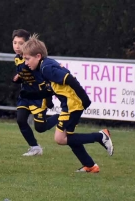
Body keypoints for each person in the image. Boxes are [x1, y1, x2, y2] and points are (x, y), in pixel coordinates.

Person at [20, 33, 114, 173]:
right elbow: (53, 88)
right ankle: (90, 165)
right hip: (69, 104)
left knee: (60, 138)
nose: (26, 63)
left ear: (38, 56)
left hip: (73, 104)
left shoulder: (46, 68)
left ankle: (101, 136)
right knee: (68, 136)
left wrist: (84, 98)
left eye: (28, 59)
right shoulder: (45, 65)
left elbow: (69, 79)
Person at [12, 29, 59, 156]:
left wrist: (48, 100)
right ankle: (35, 147)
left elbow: (44, 80)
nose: (17, 46)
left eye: (20, 43)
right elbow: (23, 74)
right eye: (14, 42)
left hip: (38, 97)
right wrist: (18, 77)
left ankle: (62, 116)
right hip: (25, 95)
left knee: (40, 128)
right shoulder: (17, 58)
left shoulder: (35, 61)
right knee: (21, 120)